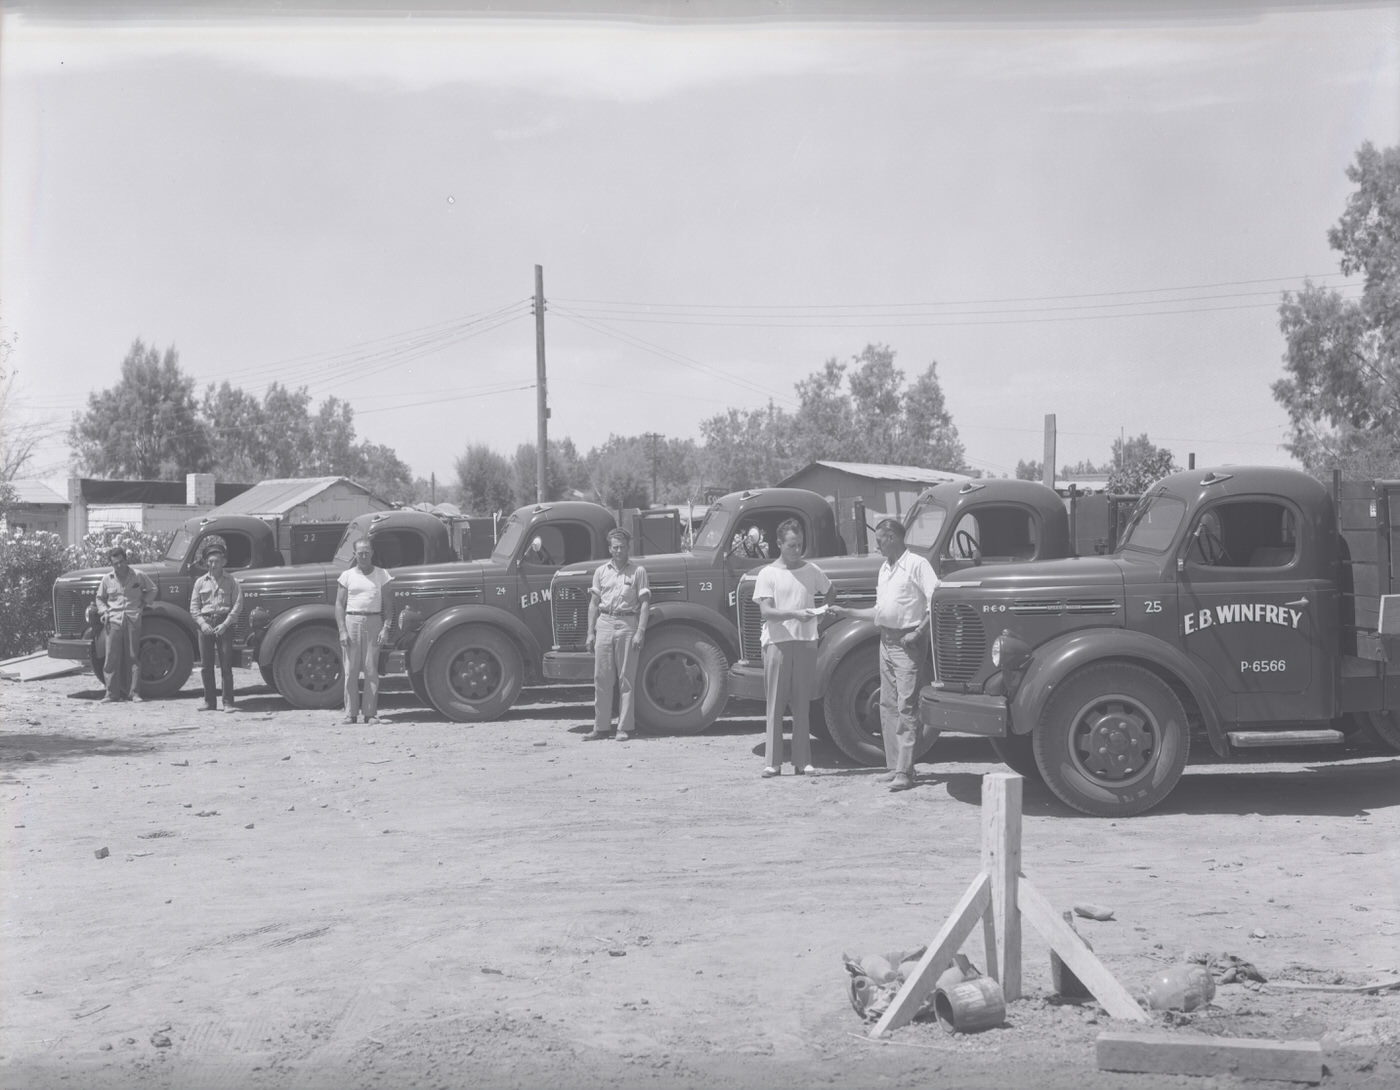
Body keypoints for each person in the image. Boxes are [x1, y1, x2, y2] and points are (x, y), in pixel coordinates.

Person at [829, 518, 939, 792]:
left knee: (906, 707)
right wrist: (846, 612)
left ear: (892, 537)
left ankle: (905, 770)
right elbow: (880, 611)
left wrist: (919, 632)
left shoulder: (917, 564)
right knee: (888, 705)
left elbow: (936, 600)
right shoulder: (885, 569)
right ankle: (895, 767)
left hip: (907, 641)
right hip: (886, 640)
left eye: (879, 540)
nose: (877, 545)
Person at [753, 518, 833, 778]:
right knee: (775, 704)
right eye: (791, 545)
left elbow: (830, 592)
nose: (796, 550)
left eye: (799, 545)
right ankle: (773, 763)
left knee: (802, 704)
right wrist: (794, 614)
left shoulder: (811, 570)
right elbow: (766, 611)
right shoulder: (767, 574)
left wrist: (821, 615)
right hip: (777, 643)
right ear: (779, 544)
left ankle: (803, 760)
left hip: (806, 641)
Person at [584, 528, 651, 741]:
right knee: (601, 678)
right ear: (609, 548)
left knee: (626, 679)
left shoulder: (638, 572)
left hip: (627, 624)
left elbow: (645, 603)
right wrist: (590, 633)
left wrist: (640, 631)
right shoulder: (601, 572)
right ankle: (601, 727)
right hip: (604, 623)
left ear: (628, 547)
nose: (618, 550)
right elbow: (594, 603)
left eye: (622, 546)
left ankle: (624, 728)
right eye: (615, 547)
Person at [335, 539, 394, 725]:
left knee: (370, 669)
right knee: (350, 670)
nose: (363, 555)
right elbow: (339, 604)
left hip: (374, 621)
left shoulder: (382, 575)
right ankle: (350, 714)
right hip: (351, 621)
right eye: (360, 552)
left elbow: (389, 604)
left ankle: (370, 714)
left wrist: (386, 627)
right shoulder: (347, 576)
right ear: (355, 554)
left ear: (372, 552)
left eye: (366, 551)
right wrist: (342, 630)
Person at [93, 545, 157, 703]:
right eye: (115, 563)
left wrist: (143, 604)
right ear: (112, 564)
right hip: (113, 620)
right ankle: (111, 694)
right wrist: (104, 611)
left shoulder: (138, 575)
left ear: (126, 560)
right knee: (111, 658)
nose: (119, 566)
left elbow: (152, 589)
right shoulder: (107, 579)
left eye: (121, 562)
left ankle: (134, 693)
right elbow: (99, 598)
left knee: (133, 656)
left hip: (132, 618)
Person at [189, 541, 243, 712]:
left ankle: (228, 703)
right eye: (210, 561)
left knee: (226, 666)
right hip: (205, 624)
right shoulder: (200, 582)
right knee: (206, 666)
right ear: (206, 563)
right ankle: (209, 702)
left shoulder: (232, 581)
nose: (213, 564)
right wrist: (203, 624)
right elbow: (194, 607)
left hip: (224, 623)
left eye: (217, 561)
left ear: (223, 562)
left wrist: (226, 624)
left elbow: (238, 605)